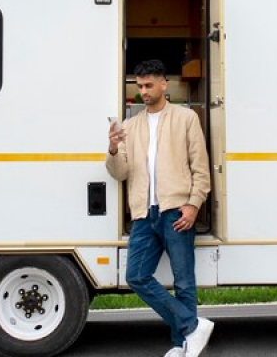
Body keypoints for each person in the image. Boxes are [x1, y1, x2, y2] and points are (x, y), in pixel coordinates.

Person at [107, 59, 214, 357]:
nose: (143, 91)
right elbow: (119, 173)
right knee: (136, 276)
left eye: (148, 85)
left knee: (184, 283)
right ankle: (192, 327)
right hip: (143, 214)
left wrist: (193, 205)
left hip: (176, 211)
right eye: (139, 86)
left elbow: (201, 168)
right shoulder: (130, 126)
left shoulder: (186, 118)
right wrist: (113, 148)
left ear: (164, 84)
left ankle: (182, 345)